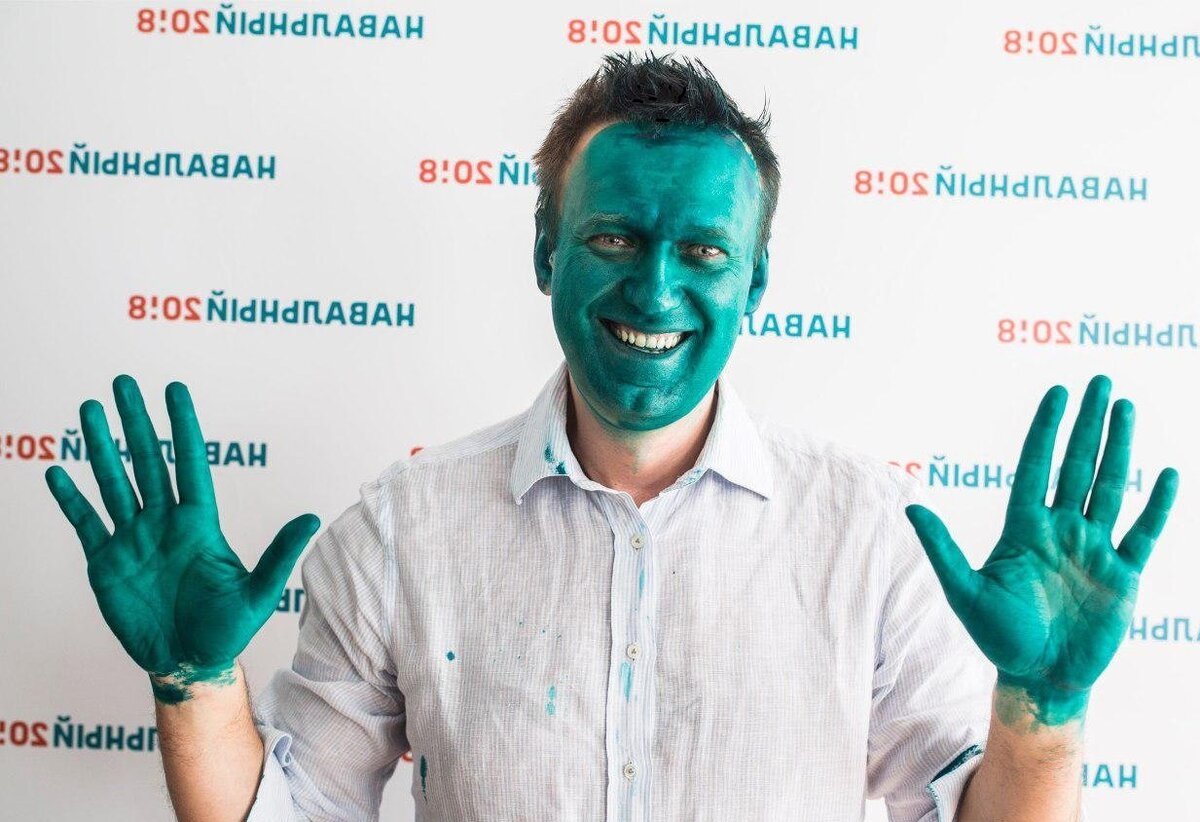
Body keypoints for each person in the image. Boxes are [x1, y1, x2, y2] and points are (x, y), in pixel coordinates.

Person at [45, 53, 1178, 821]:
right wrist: (196, 682)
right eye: (614, 237)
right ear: (547, 252)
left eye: (704, 253)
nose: (655, 287)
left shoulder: (866, 535)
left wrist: (1044, 713)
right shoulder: (400, 531)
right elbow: (301, 813)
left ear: (755, 285)